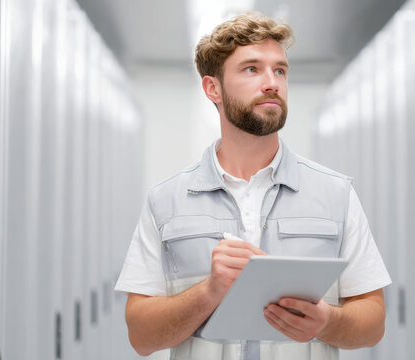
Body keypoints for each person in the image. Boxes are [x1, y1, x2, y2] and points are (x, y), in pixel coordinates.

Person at [115, 12, 391, 360]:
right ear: (212, 88)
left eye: (279, 70)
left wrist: (326, 322)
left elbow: (374, 322)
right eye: (251, 69)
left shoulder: (335, 195)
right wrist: (209, 292)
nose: (271, 82)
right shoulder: (166, 201)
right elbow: (141, 336)